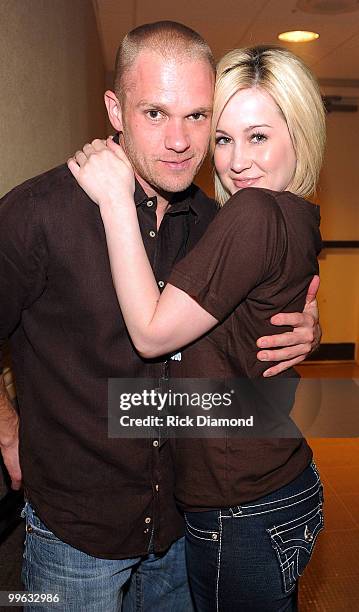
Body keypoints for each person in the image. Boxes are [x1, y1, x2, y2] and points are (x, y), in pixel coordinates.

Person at [0, 21, 319, 612]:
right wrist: (7, 427)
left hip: (181, 526)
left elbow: (238, 339)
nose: (180, 140)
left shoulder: (214, 220)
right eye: (155, 113)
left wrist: (303, 328)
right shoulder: (38, 215)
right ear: (115, 109)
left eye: (198, 117)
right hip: (74, 536)